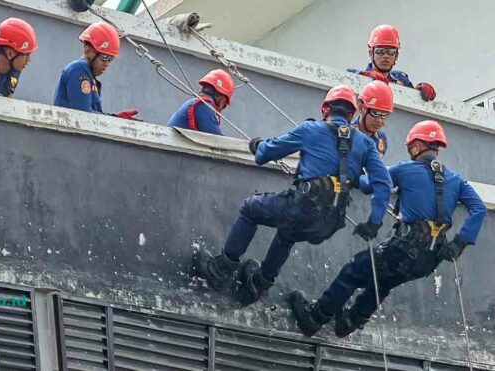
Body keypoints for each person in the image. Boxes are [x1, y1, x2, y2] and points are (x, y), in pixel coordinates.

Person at [192, 85, 392, 306]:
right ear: (353, 114)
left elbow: (264, 154)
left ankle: (220, 270)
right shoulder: (366, 144)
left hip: (303, 207)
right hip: (331, 223)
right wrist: (373, 224)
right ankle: (258, 285)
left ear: (325, 110)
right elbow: (383, 183)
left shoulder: (310, 129)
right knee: (287, 234)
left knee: (251, 208)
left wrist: (257, 145)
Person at [288, 120, 487, 338]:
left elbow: (368, 184)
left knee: (352, 272)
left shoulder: (404, 169)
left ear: (418, 146)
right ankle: (349, 321)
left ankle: (315, 317)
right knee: (382, 282)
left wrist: (361, 169)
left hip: (403, 247)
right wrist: (459, 243)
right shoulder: (455, 179)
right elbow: (478, 208)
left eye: (411, 147)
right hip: (430, 259)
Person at [54, 22, 138, 119]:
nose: (107, 64)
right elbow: (83, 115)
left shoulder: (90, 78)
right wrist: (113, 120)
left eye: (111, 59)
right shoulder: (78, 69)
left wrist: (116, 118)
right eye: (104, 57)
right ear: (87, 50)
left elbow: (92, 115)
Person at [348, 25, 437, 102]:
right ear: (371, 54)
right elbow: (347, 75)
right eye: (380, 51)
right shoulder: (358, 76)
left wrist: (419, 91)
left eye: (391, 52)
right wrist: (365, 77)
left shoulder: (402, 81)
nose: (386, 56)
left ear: (396, 56)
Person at [167, 69, 234, 135]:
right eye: (224, 105)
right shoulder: (204, 106)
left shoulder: (195, 103)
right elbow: (216, 139)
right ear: (222, 100)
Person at [355, 81, 394, 158]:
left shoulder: (381, 138)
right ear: (361, 108)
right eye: (375, 113)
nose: (380, 121)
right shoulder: (348, 133)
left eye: (384, 115)